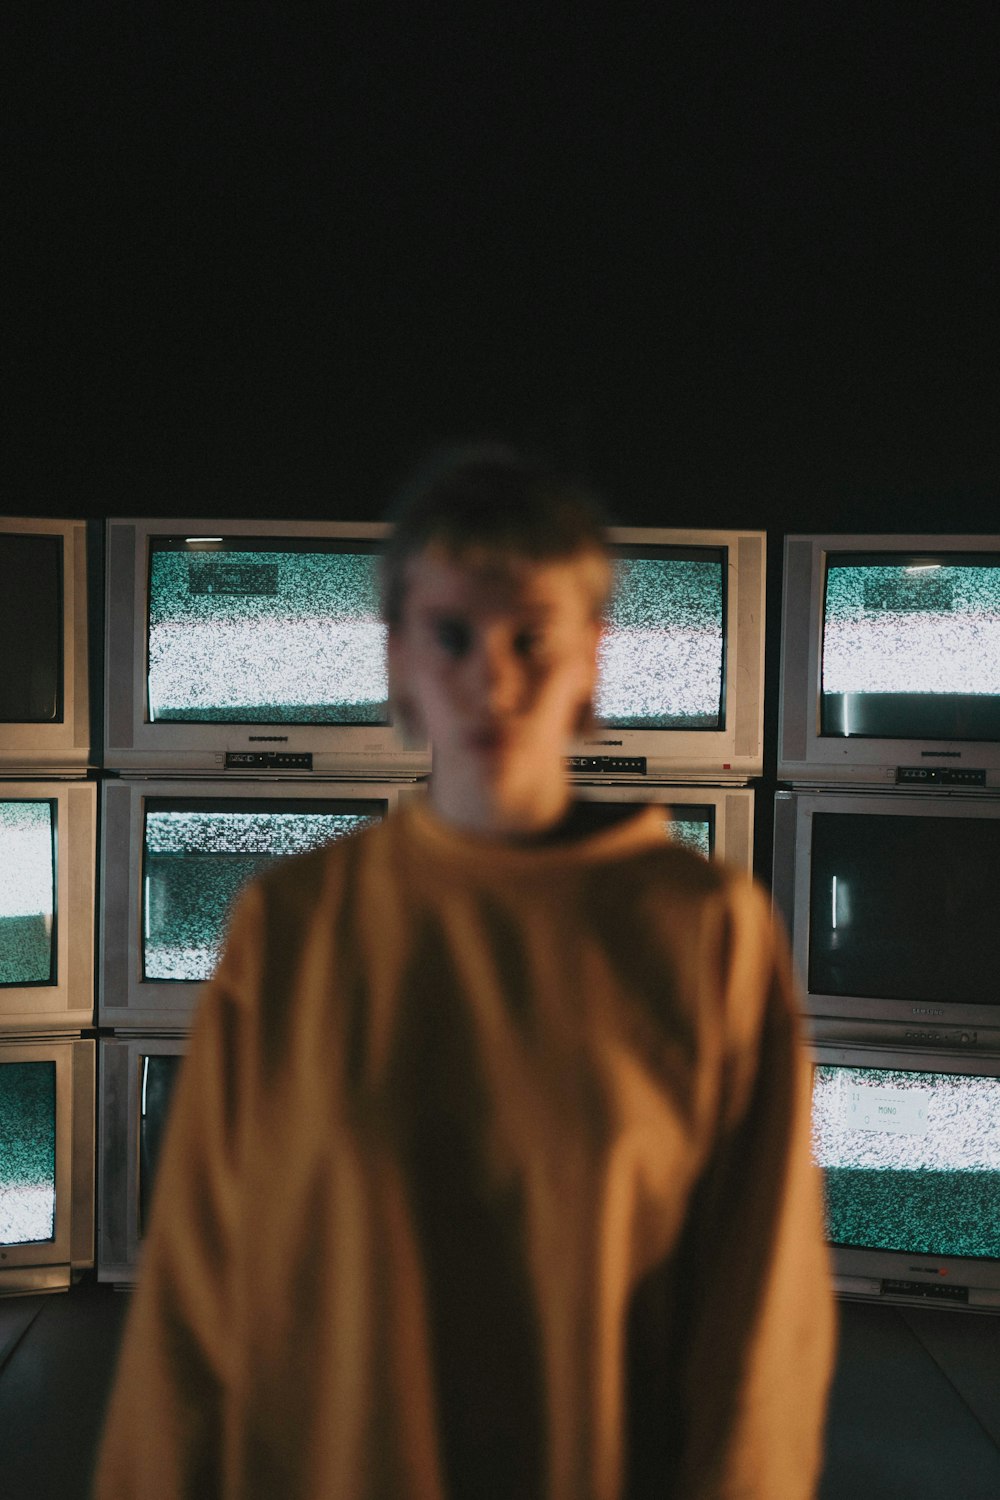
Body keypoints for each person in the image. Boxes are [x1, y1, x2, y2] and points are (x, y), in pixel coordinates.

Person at [94, 447, 835, 1499]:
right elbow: (194, 1297)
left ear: (591, 656)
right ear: (396, 656)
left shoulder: (707, 932)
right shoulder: (295, 927)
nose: (491, 678)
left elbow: (761, 1323)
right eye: (451, 635)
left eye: (530, 637)